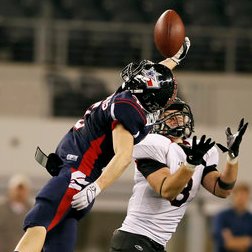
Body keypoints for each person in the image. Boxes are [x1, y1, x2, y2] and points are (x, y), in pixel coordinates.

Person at [14, 38, 191, 252]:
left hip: (74, 179)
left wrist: (95, 188)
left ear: (147, 92)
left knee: (37, 225)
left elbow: (123, 156)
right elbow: (156, 79)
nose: (137, 77)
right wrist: (174, 59)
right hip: (79, 181)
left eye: (143, 78)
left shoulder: (127, 109)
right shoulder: (134, 100)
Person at [109, 98, 248, 252]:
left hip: (157, 243)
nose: (177, 118)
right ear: (156, 120)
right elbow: (167, 190)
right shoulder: (153, 144)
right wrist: (189, 165)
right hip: (135, 237)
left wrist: (232, 158)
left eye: (180, 114)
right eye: (170, 114)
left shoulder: (197, 150)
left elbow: (222, 189)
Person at [213, 182, 252, 252]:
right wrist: (245, 241)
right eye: (238, 195)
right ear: (233, 196)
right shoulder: (222, 216)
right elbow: (225, 242)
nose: (241, 198)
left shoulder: (250, 218)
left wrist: (233, 241)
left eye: (244, 195)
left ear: (248, 197)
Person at [0, 174, 32, 252]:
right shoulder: (2, 209)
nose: (19, 193)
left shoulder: (33, 211)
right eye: (17, 189)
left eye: (22, 189)